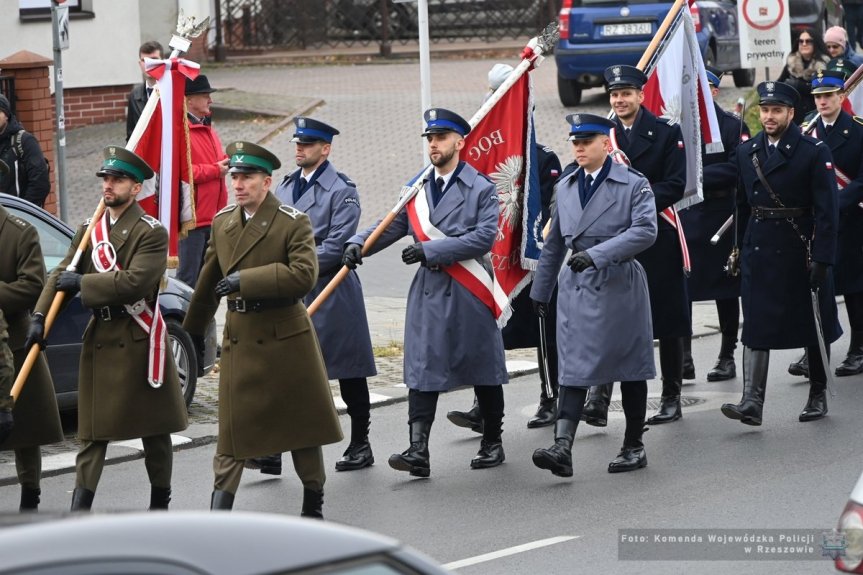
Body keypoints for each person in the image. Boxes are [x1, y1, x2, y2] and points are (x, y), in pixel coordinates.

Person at [343, 108, 508, 477]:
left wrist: (430, 250)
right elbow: (391, 223)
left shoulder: (480, 187)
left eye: (441, 138)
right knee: (423, 366)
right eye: (430, 139)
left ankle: (492, 442)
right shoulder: (418, 188)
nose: (434, 144)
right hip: (431, 291)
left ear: (460, 142)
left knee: (482, 366)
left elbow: (484, 237)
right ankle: (418, 450)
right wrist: (359, 243)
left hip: (470, 289)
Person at [182, 141, 342, 515]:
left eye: (247, 177)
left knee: (302, 429)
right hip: (241, 339)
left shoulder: (292, 221)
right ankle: (218, 516)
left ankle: (313, 504)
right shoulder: (223, 222)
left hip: (285, 338)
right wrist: (193, 328)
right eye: (234, 177)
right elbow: (209, 277)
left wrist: (245, 280)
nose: (238, 184)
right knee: (233, 431)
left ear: (267, 182)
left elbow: (304, 275)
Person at [26, 147, 188, 511]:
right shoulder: (89, 229)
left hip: (138, 339)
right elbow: (60, 274)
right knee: (92, 432)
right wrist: (40, 316)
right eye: (106, 179)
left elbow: (135, 283)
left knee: (154, 429)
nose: (108, 186)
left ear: (135, 187)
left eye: (117, 180)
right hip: (101, 337)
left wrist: (83, 283)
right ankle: (80, 508)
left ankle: (160, 500)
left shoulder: (151, 232)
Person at [243, 117, 376, 474]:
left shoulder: (342, 190)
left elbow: (336, 244)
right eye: (297, 144)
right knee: (286, 371)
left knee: (349, 372)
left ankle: (361, 444)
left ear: (325, 149)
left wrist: (289, 266)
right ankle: (275, 450)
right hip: (290, 293)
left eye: (307, 144)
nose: (299, 149)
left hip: (331, 290)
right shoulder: (284, 189)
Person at [530, 113, 657, 477]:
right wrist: (542, 290)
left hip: (619, 284)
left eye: (587, 141)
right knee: (573, 366)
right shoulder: (566, 185)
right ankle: (562, 446)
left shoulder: (633, 183)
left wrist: (598, 255)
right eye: (575, 142)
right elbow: (554, 243)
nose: (579, 148)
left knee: (629, 367)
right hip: (577, 287)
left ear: (606, 143)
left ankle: (634, 444)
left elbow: (646, 231)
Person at [445, 63, 563, 431]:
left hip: (530, 260)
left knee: (545, 333)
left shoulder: (543, 158)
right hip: (492, 261)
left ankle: (552, 397)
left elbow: (548, 212)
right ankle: (484, 407)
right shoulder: (479, 157)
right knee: (488, 334)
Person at [721, 81, 840, 426]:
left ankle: (817, 393)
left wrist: (823, 258)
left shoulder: (813, 151)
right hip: (759, 247)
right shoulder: (748, 152)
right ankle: (751, 401)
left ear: (791, 113)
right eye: (764, 110)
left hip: (799, 247)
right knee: (755, 323)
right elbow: (741, 205)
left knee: (811, 321)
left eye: (776, 110)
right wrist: (738, 251)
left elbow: (827, 211)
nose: (769, 116)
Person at [580, 65, 689, 427]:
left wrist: (633, 202)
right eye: (614, 94)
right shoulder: (602, 136)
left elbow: (676, 183)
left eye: (626, 93)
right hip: (613, 241)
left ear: (641, 96)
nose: (619, 100)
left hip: (656, 235)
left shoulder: (664, 133)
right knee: (611, 319)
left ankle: (672, 396)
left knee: (668, 317)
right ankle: (599, 398)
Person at [0, 159, 64, 512]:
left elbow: (32, 286)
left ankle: (30, 498)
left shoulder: (19, 231)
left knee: (25, 433)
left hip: (14, 342)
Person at [789, 71, 863, 378]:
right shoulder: (807, 131)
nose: (823, 102)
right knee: (816, 289)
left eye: (829, 96)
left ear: (841, 97)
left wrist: (835, 204)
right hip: (817, 224)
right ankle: (814, 350)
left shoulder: (857, 131)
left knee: (854, 288)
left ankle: (858, 348)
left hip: (851, 220)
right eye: (818, 97)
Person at [679, 67, 750, 382]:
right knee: (683, 288)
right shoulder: (676, 128)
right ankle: (684, 356)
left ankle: (726, 355)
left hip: (721, 214)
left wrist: (696, 179)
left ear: (715, 92)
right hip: (686, 214)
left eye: (704, 88)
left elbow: (739, 167)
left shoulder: (732, 126)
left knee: (726, 287)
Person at [177, 75, 229, 289]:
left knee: (208, 282)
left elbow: (214, 160)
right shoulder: (182, 132)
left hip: (213, 217)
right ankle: (184, 321)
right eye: (205, 96)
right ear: (189, 100)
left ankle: (204, 322)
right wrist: (215, 170)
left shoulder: (206, 127)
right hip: (194, 220)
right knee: (188, 281)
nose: (210, 100)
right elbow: (183, 173)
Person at [0, 94, 50, 208]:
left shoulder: (24, 141)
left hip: (17, 218)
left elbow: (40, 183)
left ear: (7, 115)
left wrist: (23, 212)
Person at [778, 28, 830, 125]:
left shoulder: (825, 64)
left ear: (815, 42)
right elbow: (779, 83)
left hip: (817, 117)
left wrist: (799, 85)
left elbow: (826, 90)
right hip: (793, 118)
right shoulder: (791, 63)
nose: (804, 44)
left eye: (808, 41)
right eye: (801, 41)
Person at [126, 41, 165, 141]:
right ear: (140, 64)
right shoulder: (134, 95)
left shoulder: (174, 92)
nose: (149, 64)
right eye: (144, 60)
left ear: (163, 62)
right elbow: (131, 136)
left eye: (154, 59)